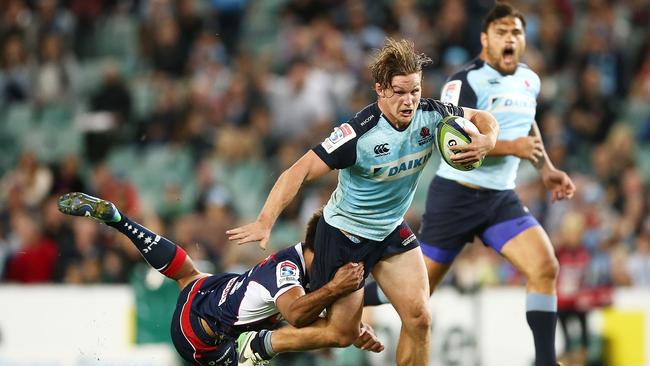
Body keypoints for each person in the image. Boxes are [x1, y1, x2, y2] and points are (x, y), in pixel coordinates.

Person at [227, 38, 499, 365]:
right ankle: (263, 344)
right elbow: (298, 171)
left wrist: (487, 141)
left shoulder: (432, 114)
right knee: (341, 335)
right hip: (345, 237)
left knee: (420, 317)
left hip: (389, 229)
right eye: (400, 92)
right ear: (381, 89)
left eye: (415, 90)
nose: (410, 100)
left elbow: (484, 118)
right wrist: (265, 220)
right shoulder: (357, 134)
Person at [363, 4, 575, 366]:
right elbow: (452, 145)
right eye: (501, 32)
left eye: (517, 33)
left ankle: (546, 362)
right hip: (457, 197)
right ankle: (343, 295)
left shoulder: (529, 79)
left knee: (545, 266)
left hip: (500, 200)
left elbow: (527, 124)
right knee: (417, 292)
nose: (510, 39)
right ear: (484, 38)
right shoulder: (465, 82)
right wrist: (513, 148)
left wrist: (545, 169)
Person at [57, 192, 384, 366]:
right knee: (265, 343)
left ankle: (119, 220)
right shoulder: (289, 271)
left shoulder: (306, 265)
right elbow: (298, 314)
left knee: (186, 273)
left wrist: (351, 329)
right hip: (199, 338)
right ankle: (261, 346)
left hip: (206, 287)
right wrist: (338, 295)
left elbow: (316, 307)